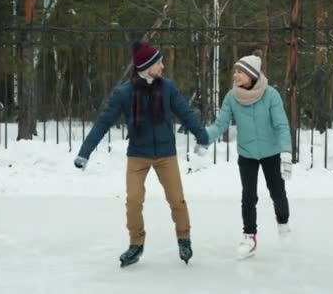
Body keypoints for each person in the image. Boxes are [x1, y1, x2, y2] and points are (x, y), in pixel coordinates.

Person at [74, 41, 209, 267]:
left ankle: (184, 239)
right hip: (138, 154)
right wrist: (84, 153)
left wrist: (202, 136)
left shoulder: (167, 88)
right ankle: (136, 243)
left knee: (177, 199)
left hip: (165, 153)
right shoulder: (124, 93)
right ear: (148, 66)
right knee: (134, 200)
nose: (163, 66)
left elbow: (186, 113)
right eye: (159, 62)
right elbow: (103, 122)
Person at [204, 54, 292, 259]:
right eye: (235, 71)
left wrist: (286, 151)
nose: (235, 75)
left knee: (277, 192)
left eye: (240, 72)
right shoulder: (232, 97)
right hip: (247, 154)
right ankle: (249, 237)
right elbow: (220, 124)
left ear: (251, 74)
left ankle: (283, 223)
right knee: (248, 196)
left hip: (271, 153)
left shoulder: (271, 95)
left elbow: (281, 125)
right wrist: (203, 138)